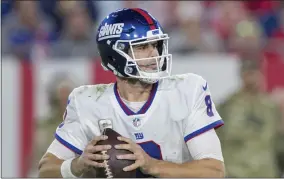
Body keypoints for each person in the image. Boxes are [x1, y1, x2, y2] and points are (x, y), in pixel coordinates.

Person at [38, 8, 225, 178]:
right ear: (115, 55)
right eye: (142, 47)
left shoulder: (186, 91)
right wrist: (76, 166)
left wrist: (152, 165)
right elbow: (46, 170)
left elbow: (214, 171)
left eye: (156, 45)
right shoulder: (87, 102)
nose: (154, 54)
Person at [216, 58, 280, 177]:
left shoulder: (270, 106)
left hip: (264, 172)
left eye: (255, 73)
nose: (252, 78)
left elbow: (276, 139)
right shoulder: (227, 106)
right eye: (248, 73)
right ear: (241, 75)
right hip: (237, 172)